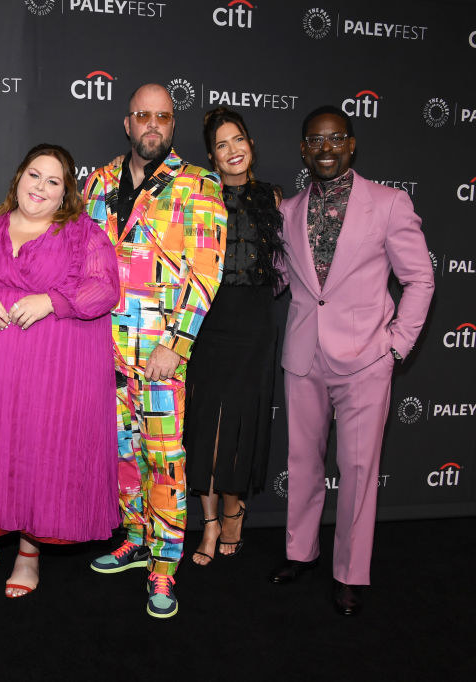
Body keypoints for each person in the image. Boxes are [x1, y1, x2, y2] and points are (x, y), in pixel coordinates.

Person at [0, 143, 120, 598]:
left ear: (65, 194)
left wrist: (51, 301)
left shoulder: (83, 234)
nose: (40, 187)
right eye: (35, 175)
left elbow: (103, 289)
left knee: (36, 454)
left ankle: (28, 556)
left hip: (47, 373)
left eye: (53, 181)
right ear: (18, 177)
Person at [269, 106, 434, 616]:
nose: (325, 149)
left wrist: (396, 345)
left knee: (360, 470)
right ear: (303, 150)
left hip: (366, 358)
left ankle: (350, 573)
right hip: (303, 356)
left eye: (335, 139)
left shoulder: (387, 204)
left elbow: (420, 279)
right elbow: (277, 280)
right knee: (301, 463)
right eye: (315, 141)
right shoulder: (288, 210)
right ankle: (302, 552)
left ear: (352, 144)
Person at [83, 83, 227, 618]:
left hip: (162, 353)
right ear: (128, 123)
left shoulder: (198, 184)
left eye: (162, 116)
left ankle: (165, 569)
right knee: (123, 456)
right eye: (142, 115)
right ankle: (137, 539)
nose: (152, 124)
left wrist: (178, 342)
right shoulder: (97, 182)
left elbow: (206, 271)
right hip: (103, 353)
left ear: (173, 125)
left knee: (165, 461)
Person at [185, 108, 285, 566]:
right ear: (211, 156)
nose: (233, 151)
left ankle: (233, 511)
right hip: (209, 318)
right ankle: (208, 523)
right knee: (207, 422)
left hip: (255, 322)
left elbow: (286, 265)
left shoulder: (274, 197)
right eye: (222, 145)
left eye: (238, 139)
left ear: (251, 144)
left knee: (242, 423)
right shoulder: (199, 198)